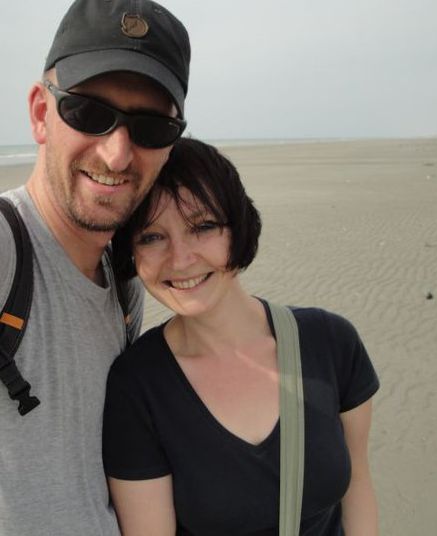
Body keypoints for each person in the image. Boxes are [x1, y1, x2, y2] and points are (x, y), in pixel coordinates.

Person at [103, 138, 380, 535]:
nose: (180, 259)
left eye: (203, 227)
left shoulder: (331, 342)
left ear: (238, 228)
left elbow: (357, 487)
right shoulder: (136, 387)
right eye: (151, 236)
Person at [0, 0, 190, 534]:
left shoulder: (125, 280)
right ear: (41, 113)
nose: (117, 155)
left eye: (151, 127)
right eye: (88, 113)